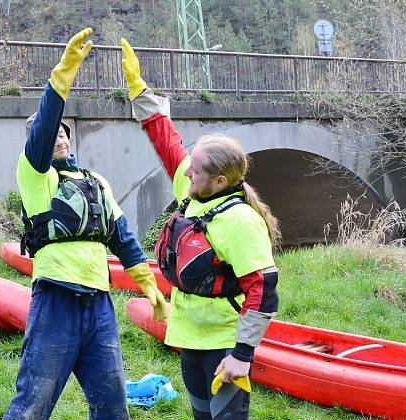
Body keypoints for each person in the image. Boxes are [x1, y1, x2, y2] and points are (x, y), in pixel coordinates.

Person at [4, 29, 168, 420]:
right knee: (33, 404)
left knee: (113, 406)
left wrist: (148, 284)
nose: (58, 139)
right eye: (51, 136)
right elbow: (43, 129)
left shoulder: (97, 182)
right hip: (55, 300)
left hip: (99, 306)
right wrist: (63, 76)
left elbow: (122, 237)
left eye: (64, 134)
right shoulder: (34, 177)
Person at [120, 38, 280, 420]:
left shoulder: (240, 220)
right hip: (188, 334)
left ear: (221, 180)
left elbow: (264, 288)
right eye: (190, 166)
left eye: (197, 170)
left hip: (225, 342)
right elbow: (167, 143)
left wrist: (243, 355)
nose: (187, 171)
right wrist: (139, 92)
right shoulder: (192, 194)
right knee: (200, 415)